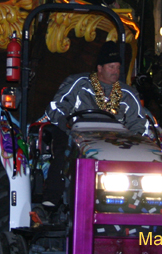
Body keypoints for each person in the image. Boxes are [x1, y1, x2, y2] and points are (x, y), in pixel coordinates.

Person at [41, 41, 153, 210]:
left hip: (116, 140)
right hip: (77, 134)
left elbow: (138, 122)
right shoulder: (78, 83)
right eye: (111, 67)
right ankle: (51, 199)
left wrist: (136, 138)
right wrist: (66, 123)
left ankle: (139, 202)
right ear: (99, 68)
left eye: (117, 67)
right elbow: (56, 106)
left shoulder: (127, 93)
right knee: (63, 148)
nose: (115, 71)